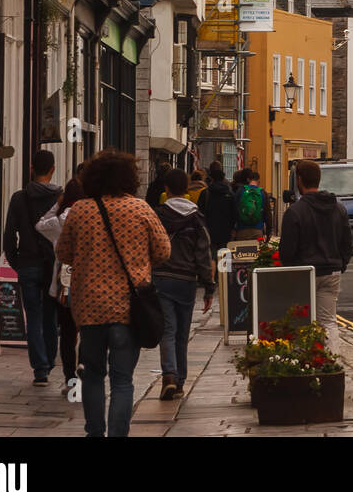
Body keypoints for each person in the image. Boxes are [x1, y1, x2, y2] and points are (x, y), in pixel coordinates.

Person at [56, 149, 170, 438]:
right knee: (122, 380)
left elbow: (63, 252)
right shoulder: (141, 209)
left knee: (92, 375)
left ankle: (94, 432)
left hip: (90, 308)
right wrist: (139, 262)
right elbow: (163, 250)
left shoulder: (81, 210)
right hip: (127, 309)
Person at [152, 168, 215, 401]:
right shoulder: (197, 218)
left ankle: (169, 375)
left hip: (161, 278)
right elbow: (203, 254)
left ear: (166, 190)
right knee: (182, 333)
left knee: (167, 330)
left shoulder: (157, 215)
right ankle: (179, 383)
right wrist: (209, 286)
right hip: (186, 282)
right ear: (186, 189)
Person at [280, 160, 353, 354]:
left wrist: (290, 268)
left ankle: (305, 362)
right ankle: (331, 362)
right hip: (331, 272)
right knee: (328, 321)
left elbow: (286, 251)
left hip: (304, 273)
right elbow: (347, 244)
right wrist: (340, 264)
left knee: (302, 321)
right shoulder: (338, 209)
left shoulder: (294, 212)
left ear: (300, 180)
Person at [3, 149, 63, 384]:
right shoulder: (60, 198)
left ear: (31, 169)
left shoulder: (19, 198)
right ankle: (49, 360)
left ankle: (40, 369)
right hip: (52, 265)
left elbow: (9, 234)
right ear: (53, 170)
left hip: (28, 263)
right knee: (51, 315)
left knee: (34, 316)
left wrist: (16, 261)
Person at [36, 170, 85, 385]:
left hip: (64, 281)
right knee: (86, 327)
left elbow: (40, 225)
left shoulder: (59, 221)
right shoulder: (89, 217)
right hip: (87, 280)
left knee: (66, 331)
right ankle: (83, 363)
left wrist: (58, 206)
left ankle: (69, 376)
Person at [197, 161, 237, 256]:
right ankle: (224, 270)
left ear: (211, 178)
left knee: (211, 256)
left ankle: (212, 269)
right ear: (223, 178)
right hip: (226, 231)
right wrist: (233, 228)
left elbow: (199, 213)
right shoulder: (230, 194)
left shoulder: (205, 193)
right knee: (225, 256)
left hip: (209, 231)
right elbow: (235, 213)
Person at [231, 169, 268, 241]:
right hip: (258, 230)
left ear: (248, 180)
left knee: (242, 251)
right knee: (257, 251)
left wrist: (233, 229)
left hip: (242, 230)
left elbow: (234, 211)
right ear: (258, 181)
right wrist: (268, 232)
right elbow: (267, 214)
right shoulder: (262, 192)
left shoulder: (240, 191)